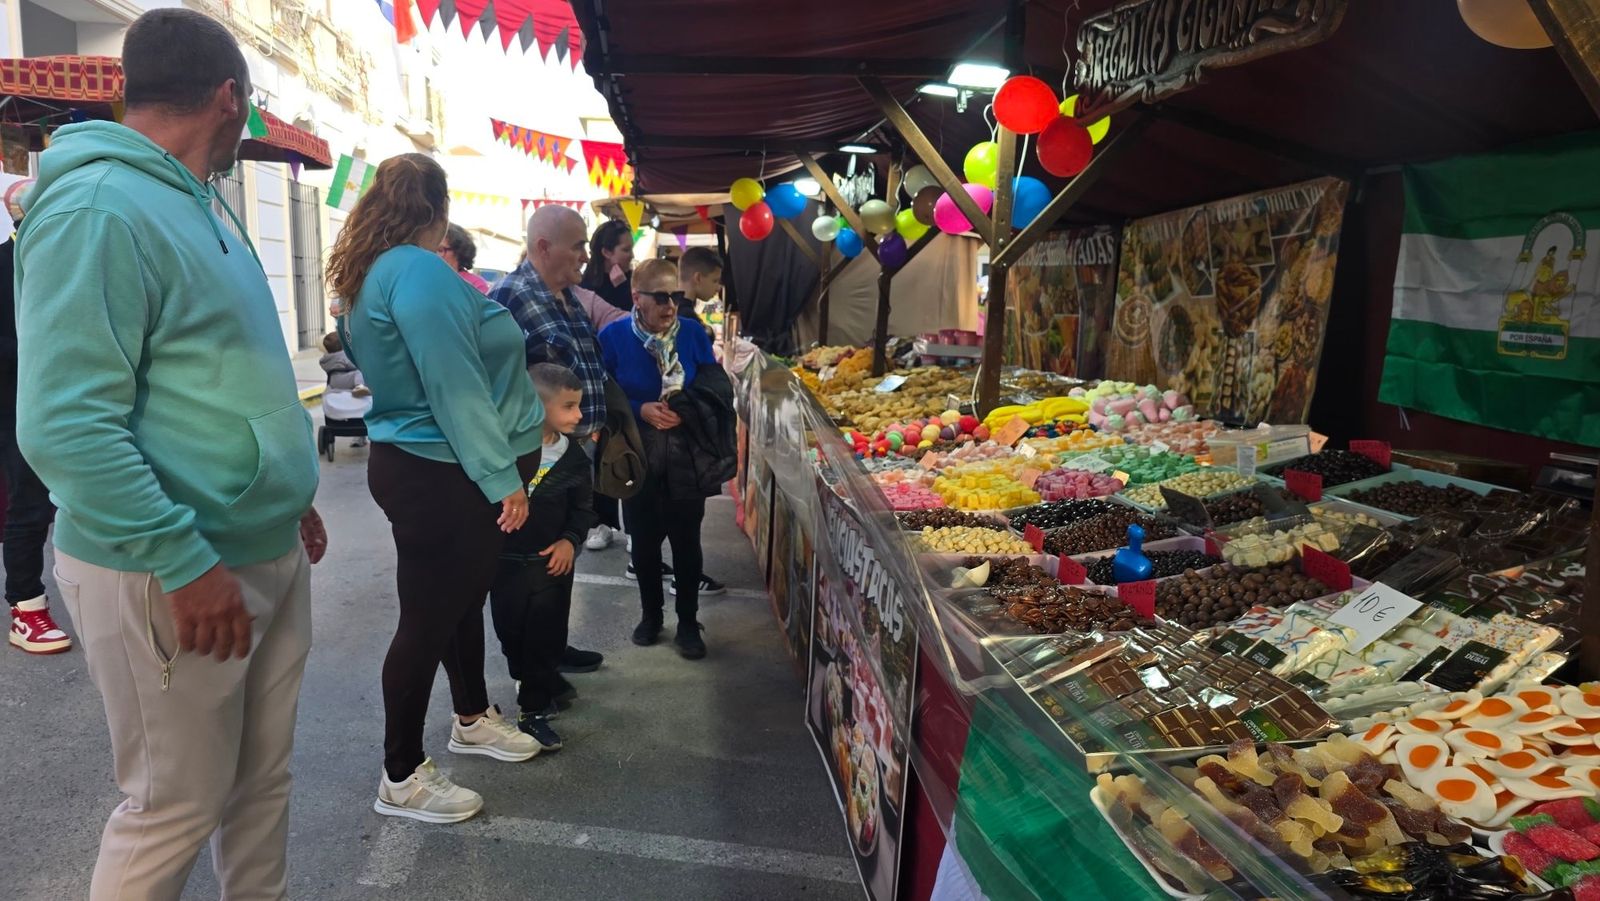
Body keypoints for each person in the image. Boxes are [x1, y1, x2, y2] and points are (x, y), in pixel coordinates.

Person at [14, 10, 326, 899]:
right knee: (173, 807)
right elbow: (66, 425)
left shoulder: (191, 194)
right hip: (171, 569)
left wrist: (285, 488)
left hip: (252, 548)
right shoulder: (98, 206)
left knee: (259, 787)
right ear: (230, 98)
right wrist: (186, 561)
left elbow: (216, 375)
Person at [330, 152, 544, 825]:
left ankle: (472, 717)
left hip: (425, 462)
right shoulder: (416, 269)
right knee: (428, 615)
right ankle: (400, 772)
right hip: (442, 467)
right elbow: (453, 383)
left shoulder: (373, 272)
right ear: (439, 210)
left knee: (452, 602)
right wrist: (500, 473)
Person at [489, 206, 609, 675]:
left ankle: (554, 649)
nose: (585, 255)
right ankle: (532, 670)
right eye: (578, 245)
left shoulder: (566, 296)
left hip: (574, 450)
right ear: (543, 246)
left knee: (563, 554)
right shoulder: (509, 297)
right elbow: (494, 385)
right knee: (530, 568)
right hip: (534, 458)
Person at [599, 259, 737, 660]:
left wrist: (686, 407)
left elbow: (716, 389)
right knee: (642, 546)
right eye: (660, 298)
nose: (670, 306)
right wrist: (641, 409)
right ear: (635, 298)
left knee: (687, 544)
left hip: (684, 456)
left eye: (675, 296)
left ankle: (689, 622)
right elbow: (603, 397)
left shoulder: (693, 334)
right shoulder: (612, 338)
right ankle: (651, 616)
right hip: (636, 458)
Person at [488, 363, 594, 750]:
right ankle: (537, 678)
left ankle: (533, 710)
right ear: (534, 406)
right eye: (569, 406)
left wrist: (570, 540)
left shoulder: (574, 458)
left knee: (546, 638)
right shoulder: (502, 450)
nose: (579, 415)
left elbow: (583, 509)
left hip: (551, 568)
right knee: (511, 636)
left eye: (578, 405)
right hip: (504, 567)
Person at [1, 176, 70, 655]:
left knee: (72, 499)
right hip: (16, 405)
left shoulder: (60, 263)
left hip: (64, 402)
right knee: (28, 505)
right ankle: (27, 607)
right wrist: (36, 349)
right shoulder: (5, 264)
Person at [581, 217, 635, 312]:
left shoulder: (634, 280)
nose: (632, 256)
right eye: (626, 250)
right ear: (606, 252)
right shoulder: (586, 288)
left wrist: (623, 285)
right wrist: (622, 289)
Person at [676, 246, 723, 324]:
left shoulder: (673, 309)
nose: (718, 288)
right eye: (715, 281)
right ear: (698, 278)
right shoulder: (686, 317)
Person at [439, 222, 490, 295]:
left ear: (459, 251)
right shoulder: (426, 278)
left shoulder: (475, 284)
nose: (434, 254)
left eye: (440, 250)